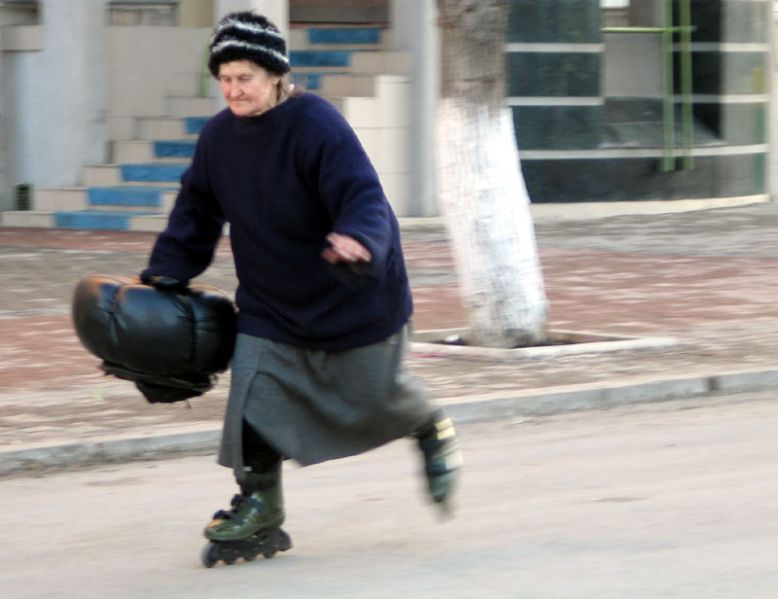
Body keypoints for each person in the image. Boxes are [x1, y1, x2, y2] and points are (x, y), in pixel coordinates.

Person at [140, 10, 462, 559]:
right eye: (225, 79)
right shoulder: (218, 139)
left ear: (274, 76)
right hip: (271, 302)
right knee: (253, 396)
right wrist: (166, 273)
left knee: (375, 398)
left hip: (350, 292)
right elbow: (195, 213)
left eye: (245, 78)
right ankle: (260, 505)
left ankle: (430, 427)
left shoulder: (315, 124)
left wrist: (358, 240)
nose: (233, 90)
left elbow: (362, 196)